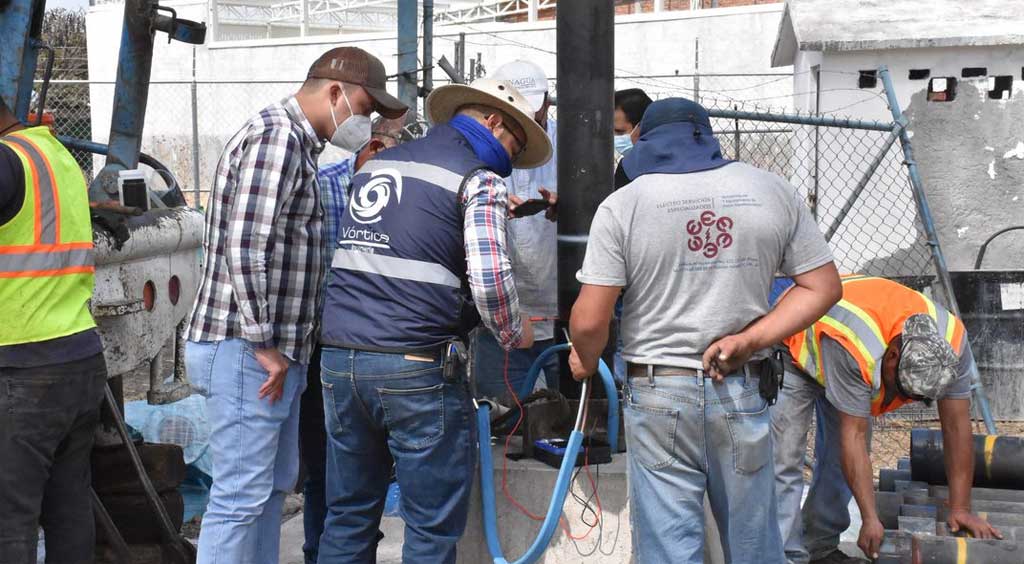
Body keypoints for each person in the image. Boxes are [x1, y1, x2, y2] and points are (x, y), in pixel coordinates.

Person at [567, 97, 842, 563]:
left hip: (658, 393)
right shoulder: (772, 190)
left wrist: (585, 359)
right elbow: (823, 286)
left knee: (670, 546)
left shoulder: (624, 205)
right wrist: (750, 340)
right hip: (741, 385)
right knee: (753, 540)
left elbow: (590, 319)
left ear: (644, 141)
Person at [184, 46, 406, 564]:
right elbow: (246, 245)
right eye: (365, 108)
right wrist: (263, 343)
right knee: (240, 496)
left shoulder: (296, 145)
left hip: (269, 352)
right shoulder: (277, 139)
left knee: (269, 489)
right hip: (247, 349)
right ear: (334, 93)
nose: (366, 122)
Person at [316, 78, 551, 563]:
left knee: (349, 514)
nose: (509, 158)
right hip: (415, 368)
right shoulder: (480, 180)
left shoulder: (378, 163)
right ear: (491, 121)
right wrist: (514, 330)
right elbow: (489, 280)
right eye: (514, 143)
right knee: (429, 527)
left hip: (341, 363)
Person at [771, 275, 1001, 564]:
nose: (898, 401)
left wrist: (961, 507)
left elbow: (956, 426)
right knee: (784, 457)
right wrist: (870, 518)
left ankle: (820, 548)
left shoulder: (953, 347)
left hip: (849, 341)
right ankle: (781, 556)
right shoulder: (856, 347)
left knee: (835, 461)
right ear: (892, 356)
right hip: (797, 337)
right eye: (901, 390)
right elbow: (852, 439)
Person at [299, 116, 412, 564]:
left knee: (364, 470)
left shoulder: (402, 196)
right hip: (322, 349)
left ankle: (351, 549)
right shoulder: (323, 188)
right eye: (380, 153)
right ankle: (317, 551)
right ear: (368, 150)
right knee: (326, 466)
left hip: (375, 347)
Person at [0, 97, 107, 563]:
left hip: (22, 368)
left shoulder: (6, 162)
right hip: (78, 358)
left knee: (9, 520)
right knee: (68, 511)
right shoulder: (57, 154)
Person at [473, 59, 560, 404]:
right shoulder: (479, 150)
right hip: (501, 315)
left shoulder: (568, 145)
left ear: (546, 106)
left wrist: (570, 205)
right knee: (504, 422)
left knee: (571, 425)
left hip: (561, 311)